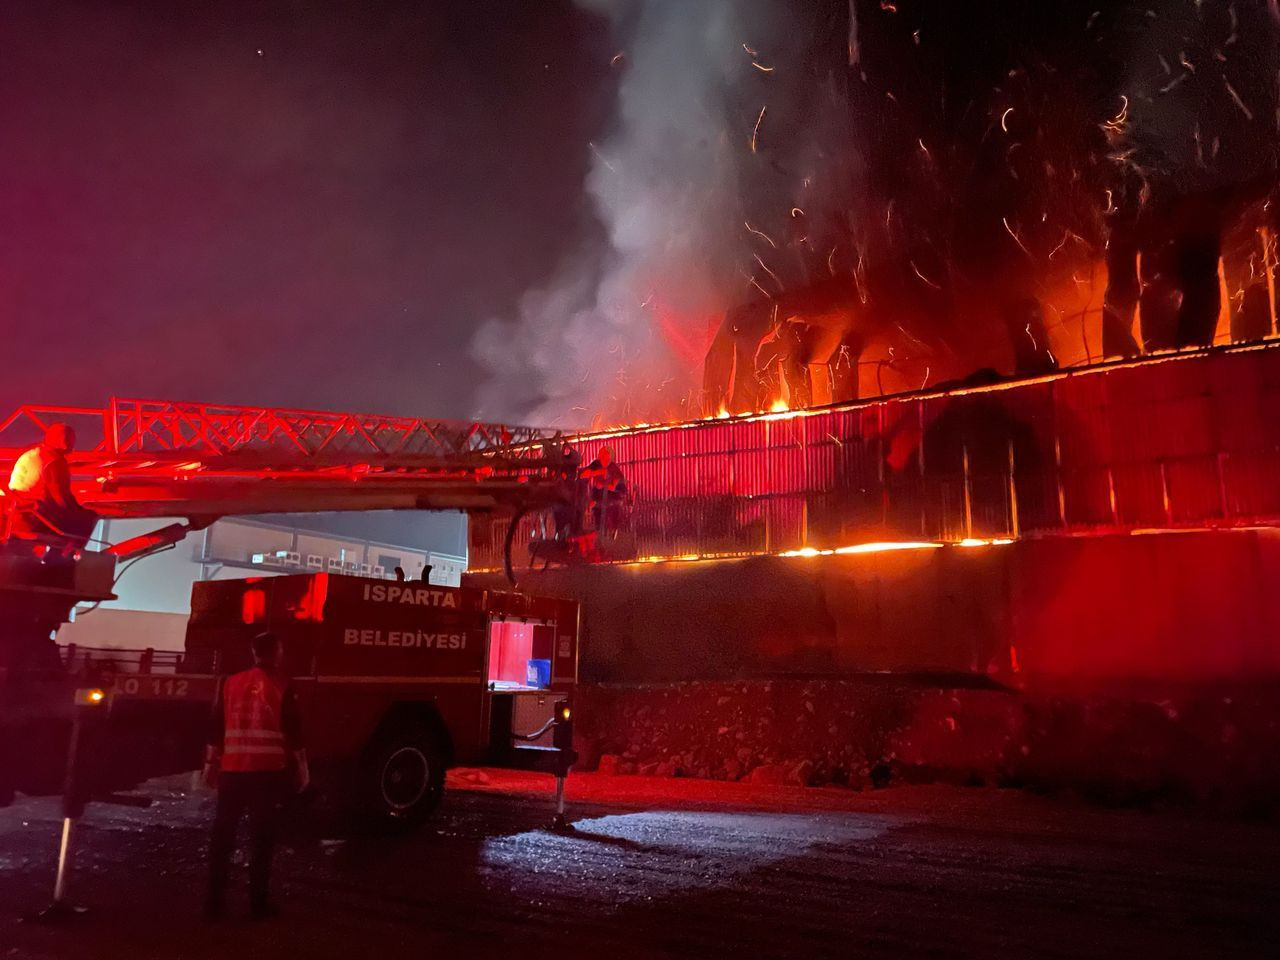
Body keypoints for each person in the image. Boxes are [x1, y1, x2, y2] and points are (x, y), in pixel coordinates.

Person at [203, 632, 308, 920]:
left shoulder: (229, 683)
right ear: (276, 652)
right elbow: (293, 729)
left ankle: (213, 905)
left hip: (233, 771)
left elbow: (216, 725)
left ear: (253, 652)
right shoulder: (282, 684)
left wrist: (210, 764)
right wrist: (302, 768)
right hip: (267, 773)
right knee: (262, 840)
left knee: (223, 838)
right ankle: (257, 905)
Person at [7, 422, 98, 548]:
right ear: (63, 440)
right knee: (88, 525)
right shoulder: (54, 461)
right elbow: (60, 498)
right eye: (71, 439)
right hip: (37, 518)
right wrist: (85, 514)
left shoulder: (33, 454)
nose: (73, 444)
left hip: (18, 514)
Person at [580, 445, 628, 532]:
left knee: (610, 509)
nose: (600, 456)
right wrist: (598, 472)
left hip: (614, 496)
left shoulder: (614, 469)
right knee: (596, 507)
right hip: (599, 495)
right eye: (600, 454)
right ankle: (600, 531)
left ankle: (612, 531)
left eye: (604, 454)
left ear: (609, 456)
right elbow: (583, 474)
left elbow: (614, 487)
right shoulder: (596, 464)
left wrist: (602, 485)